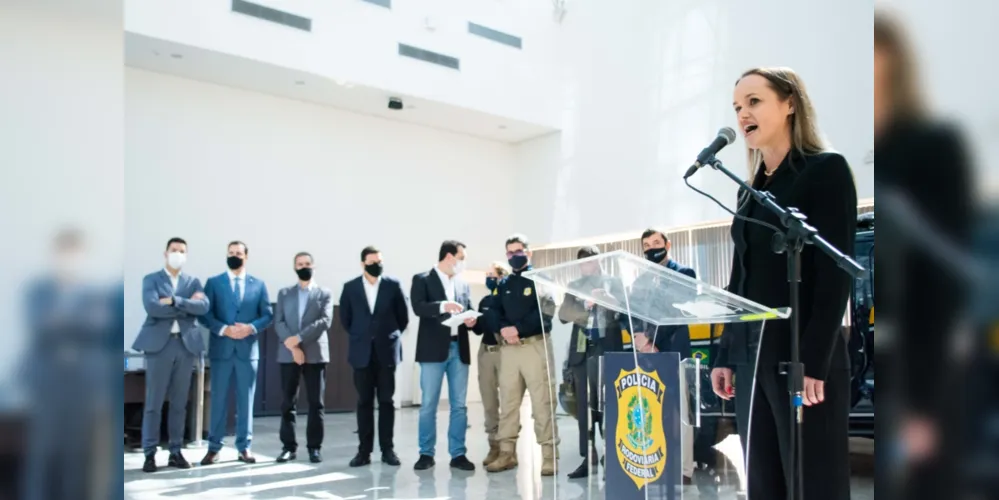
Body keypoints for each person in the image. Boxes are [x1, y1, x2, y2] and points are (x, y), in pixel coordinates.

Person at [710, 67, 857, 500]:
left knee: (813, 483)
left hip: (804, 356)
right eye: (737, 106)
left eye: (754, 101)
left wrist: (812, 361)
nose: (742, 114)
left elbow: (835, 276)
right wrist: (725, 350)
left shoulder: (825, 170)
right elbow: (740, 277)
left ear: (790, 103)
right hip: (755, 358)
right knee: (765, 483)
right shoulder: (749, 190)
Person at [874, 12, 972, 500]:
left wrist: (925, 406)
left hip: (926, 366)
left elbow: (946, 281)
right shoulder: (880, 155)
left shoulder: (935, 146)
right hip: (885, 361)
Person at [132, 237, 210, 472]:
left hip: (185, 346)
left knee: (179, 403)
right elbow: (152, 307)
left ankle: (176, 451)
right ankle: (149, 453)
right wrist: (187, 306)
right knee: (154, 403)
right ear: (165, 253)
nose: (178, 253)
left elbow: (203, 307)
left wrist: (175, 301)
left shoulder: (193, 281)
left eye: (182, 251)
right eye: (174, 250)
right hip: (159, 346)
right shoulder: (152, 279)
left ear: (186, 255)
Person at [486, 234, 559, 476]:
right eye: (510, 252)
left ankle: (549, 456)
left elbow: (546, 312)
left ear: (529, 253)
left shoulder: (541, 279)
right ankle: (506, 453)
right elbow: (494, 312)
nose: (514, 256)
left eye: (518, 251)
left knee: (542, 403)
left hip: (534, 347)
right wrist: (505, 330)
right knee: (508, 403)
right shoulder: (504, 284)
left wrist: (518, 329)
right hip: (509, 351)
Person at [200, 240, 274, 465]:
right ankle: (214, 447)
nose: (234, 256)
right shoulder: (213, 283)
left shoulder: (258, 285)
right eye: (231, 253)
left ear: (246, 256)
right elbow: (205, 314)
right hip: (221, 350)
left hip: (247, 350)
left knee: (246, 401)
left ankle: (244, 447)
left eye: (238, 253)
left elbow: (267, 315)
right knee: (218, 400)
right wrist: (225, 329)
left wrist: (250, 328)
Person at [557, 246, 627, 479]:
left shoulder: (614, 282)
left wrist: (608, 300)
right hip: (582, 352)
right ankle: (589, 458)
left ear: (598, 262)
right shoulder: (575, 286)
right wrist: (586, 306)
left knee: (610, 407)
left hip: (608, 349)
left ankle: (612, 457)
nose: (584, 266)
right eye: (581, 263)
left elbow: (625, 311)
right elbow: (564, 314)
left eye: (588, 262)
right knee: (585, 409)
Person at [633, 228, 697, 484]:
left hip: (674, 350)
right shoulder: (640, 281)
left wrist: (652, 339)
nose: (651, 248)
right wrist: (639, 336)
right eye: (646, 245)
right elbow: (633, 312)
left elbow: (678, 310)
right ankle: (656, 462)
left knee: (679, 413)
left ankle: (684, 470)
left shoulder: (684, 274)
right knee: (652, 411)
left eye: (656, 243)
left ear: (668, 244)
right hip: (647, 355)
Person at [339, 246, 410, 467]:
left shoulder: (392, 285)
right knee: (364, 402)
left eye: (379, 261)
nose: (377, 264)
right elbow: (346, 319)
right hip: (361, 354)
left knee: (387, 402)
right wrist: (364, 336)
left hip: (386, 352)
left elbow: (403, 317)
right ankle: (364, 451)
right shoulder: (350, 288)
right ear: (363, 263)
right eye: (372, 261)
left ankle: (388, 450)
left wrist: (387, 335)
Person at [410, 240, 477, 471]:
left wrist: (471, 319)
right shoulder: (422, 279)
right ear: (449, 257)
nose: (463, 262)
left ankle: (458, 454)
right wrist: (443, 306)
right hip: (432, 351)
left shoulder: (463, 284)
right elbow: (418, 307)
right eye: (462, 257)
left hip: (459, 348)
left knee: (459, 405)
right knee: (429, 404)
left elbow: (469, 307)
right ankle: (426, 453)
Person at [272, 251, 334, 463]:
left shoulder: (324, 293)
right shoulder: (284, 293)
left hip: (315, 353)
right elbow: (278, 322)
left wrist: (298, 339)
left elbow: (325, 321)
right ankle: (288, 447)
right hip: (289, 353)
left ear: (314, 266)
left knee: (316, 403)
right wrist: (293, 345)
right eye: (300, 264)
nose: (304, 267)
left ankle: (314, 447)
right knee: (288, 402)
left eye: (307, 263)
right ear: (294, 267)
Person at [471, 261, 510, 467]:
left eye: (492, 275)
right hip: (485, 352)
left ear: (502, 277)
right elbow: (480, 329)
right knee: (489, 401)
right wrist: (473, 323)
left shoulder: (507, 299)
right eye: (486, 275)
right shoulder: (485, 300)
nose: (488, 278)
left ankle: (507, 448)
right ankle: (493, 445)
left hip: (504, 352)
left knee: (508, 400)